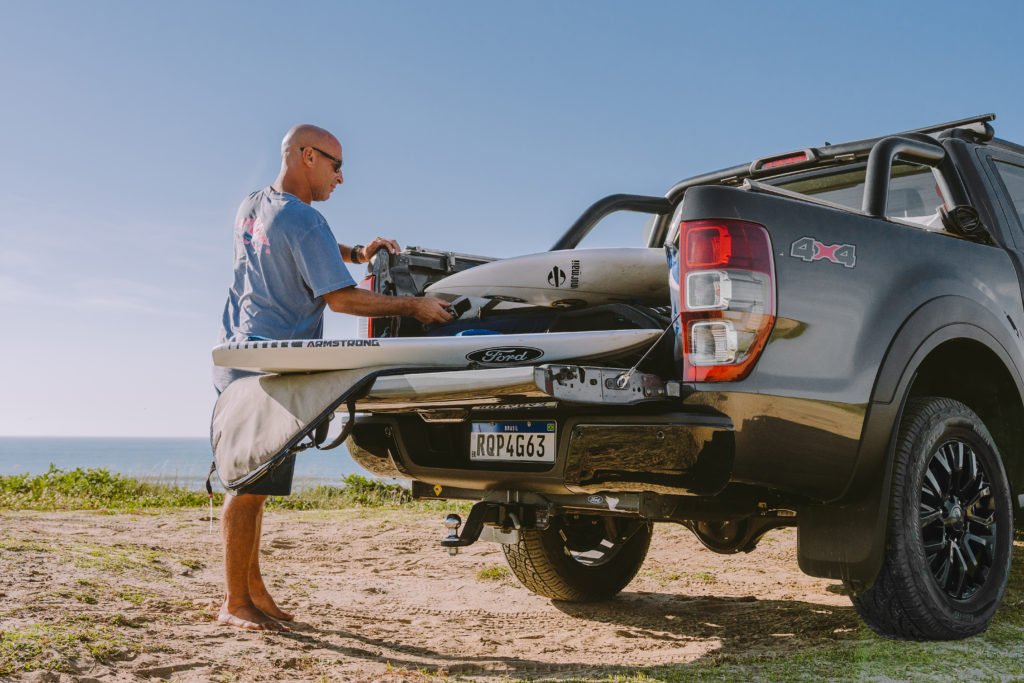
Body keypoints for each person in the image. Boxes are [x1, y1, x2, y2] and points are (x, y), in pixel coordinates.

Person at [213, 124, 452, 631]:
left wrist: (356, 254)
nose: (340, 177)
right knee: (247, 486)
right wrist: (414, 306)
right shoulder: (306, 219)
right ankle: (234, 602)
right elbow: (341, 300)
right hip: (272, 367)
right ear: (307, 156)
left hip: (236, 357)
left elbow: (301, 246)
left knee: (255, 483)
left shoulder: (253, 205)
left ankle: (252, 591)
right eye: (336, 165)